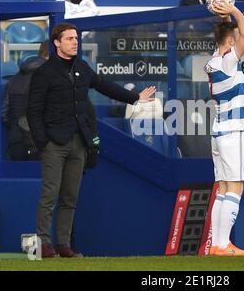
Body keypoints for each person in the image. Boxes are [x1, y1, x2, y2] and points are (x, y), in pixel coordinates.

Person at [27, 22, 156, 258]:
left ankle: (63, 244)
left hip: (79, 142)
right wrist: (43, 142)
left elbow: (105, 87)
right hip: (54, 143)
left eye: (76, 38)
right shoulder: (44, 73)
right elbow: (33, 111)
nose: (75, 42)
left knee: (70, 196)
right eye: (69, 38)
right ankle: (44, 243)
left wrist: (135, 98)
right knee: (49, 194)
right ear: (57, 43)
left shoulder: (82, 67)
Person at [204, 0, 244, 256]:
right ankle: (222, 244)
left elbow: (229, 34)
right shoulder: (227, 61)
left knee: (223, 188)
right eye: (236, 39)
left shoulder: (215, 60)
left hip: (220, 131)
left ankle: (218, 245)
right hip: (234, 132)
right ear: (232, 42)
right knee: (236, 187)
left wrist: (224, 17)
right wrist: (234, 10)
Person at [2, 41, 49, 161]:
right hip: (42, 144)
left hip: (16, 143)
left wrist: (16, 127)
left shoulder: (14, 79)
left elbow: (4, 114)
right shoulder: (49, 79)